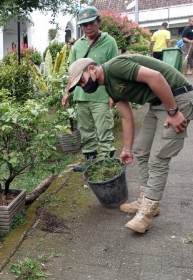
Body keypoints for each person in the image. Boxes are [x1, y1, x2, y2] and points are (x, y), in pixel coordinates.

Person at [67, 55, 193, 233]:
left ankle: (146, 214)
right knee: (141, 151)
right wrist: (126, 149)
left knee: (158, 158)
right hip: (157, 104)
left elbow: (156, 77)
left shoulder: (114, 67)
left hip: (177, 98)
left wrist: (173, 112)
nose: (83, 86)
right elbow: (127, 117)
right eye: (80, 86)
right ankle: (145, 200)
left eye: (82, 81)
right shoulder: (110, 88)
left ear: (91, 69)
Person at [62, 6, 118, 172]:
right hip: (81, 95)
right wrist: (67, 93)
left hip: (101, 95)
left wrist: (113, 94)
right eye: (83, 24)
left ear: (98, 21)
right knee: (85, 131)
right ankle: (91, 161)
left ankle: (107, 162)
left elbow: (114, 71)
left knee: (104, 129)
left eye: (91, 22)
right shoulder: (77, 46)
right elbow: (73, 72)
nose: (87, 27)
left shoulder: (109, 42)